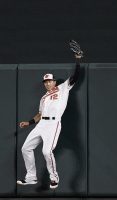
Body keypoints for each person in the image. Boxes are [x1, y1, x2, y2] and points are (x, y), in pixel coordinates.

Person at [17, 41, 83, 189]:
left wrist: (78, 58)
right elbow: (40, 114)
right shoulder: (43, 98)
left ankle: (54, 178)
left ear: (54, 81)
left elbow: (75, 77)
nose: (47, 83)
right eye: (45, 82)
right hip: (42, 124)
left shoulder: (62, 88)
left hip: (53, 124)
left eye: (49, 81)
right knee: (25, 148)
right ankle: (31, 177)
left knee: (46, 151)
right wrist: (29, 122)